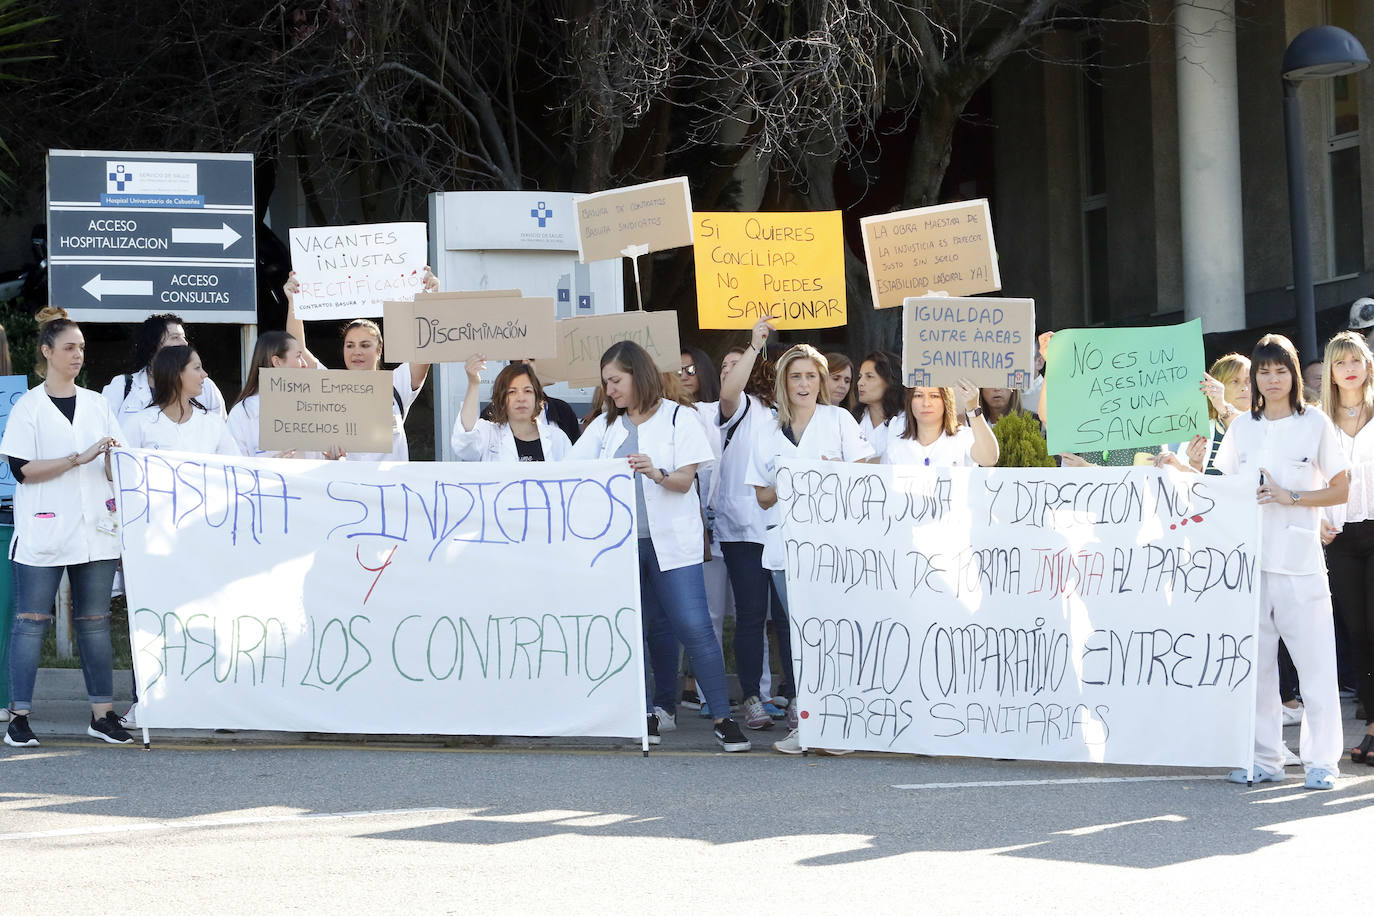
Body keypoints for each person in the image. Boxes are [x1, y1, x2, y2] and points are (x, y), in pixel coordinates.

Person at [568, 341, 749, 752]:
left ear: (637, 373)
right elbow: (571, 473)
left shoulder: (678, 418)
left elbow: (686, 482)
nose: (610, 390)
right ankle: (648, 710)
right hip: (623, 547)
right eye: (606, 383)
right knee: (643, 629)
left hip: (673, 544)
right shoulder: (604, 427)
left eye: (615, 381)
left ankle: (723, 716)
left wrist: (656, 472)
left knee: (694, 626)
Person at [1213, 334, 1349, 790]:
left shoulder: (1314, 423)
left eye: (1280, 370)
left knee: (1315, 667)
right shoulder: (1241, 429)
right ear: (1253, 377)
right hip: (1250, 565)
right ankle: (1264, 759)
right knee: (1257, 669)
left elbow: (1341, 487)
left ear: (1293, 374)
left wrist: (1292, 497)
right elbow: (1222, 490)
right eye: (1263, 371)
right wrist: (1184, 468)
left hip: (1301, 561)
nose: (1272, 380)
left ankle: (1322, 762)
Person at [2, 307, 131, 747]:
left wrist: (114, 458)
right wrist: (79, 458)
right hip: (44, 529)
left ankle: (102, 714)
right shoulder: (30, 407)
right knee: (31, 620)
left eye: (81, 348)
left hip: (96, 528)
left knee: (94, 621)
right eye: (69, 347)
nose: (78, 355)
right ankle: (18, 717)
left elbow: (118, 472)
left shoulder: (98, 404)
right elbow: (22, 470)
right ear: (47, 351)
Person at [747, 342, 874, 754]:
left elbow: (867, 469)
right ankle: (810, 724)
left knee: (835, 635)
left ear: (821, 381)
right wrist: (790, 480)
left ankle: (841, 724)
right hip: (785, 548)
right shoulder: (766, 429)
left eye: (811, 376)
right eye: (796, 376)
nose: (804, 384)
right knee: (803, 640)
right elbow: (763, 497)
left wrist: (827, 473)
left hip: (833, 549)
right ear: (784, 381)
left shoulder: (837, 420)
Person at [284, 270, 436, 461]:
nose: (357, 352)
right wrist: (294, 302)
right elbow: (297, 348)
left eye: (365, 345)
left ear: (379, 350)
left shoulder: (396, 383)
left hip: (390, 488)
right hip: (344, 488)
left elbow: (426, 349)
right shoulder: (329, 385)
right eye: (350, 345)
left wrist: (429, 300)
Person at [1318, 331, 1374, 764]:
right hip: (1340, 536)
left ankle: (1373, 728)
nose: (1349, 368)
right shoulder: (1318, 420)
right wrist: (1315, 517)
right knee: (1356, 631)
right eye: (1340, 362)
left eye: (1355, 359)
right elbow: (1307, 474)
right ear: (1331, 372)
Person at [102, 313, 226, 435]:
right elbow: (103, 432)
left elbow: (221, 435)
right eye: (175, 337)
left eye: (184, 337)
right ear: (152, 346)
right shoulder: (122, 386)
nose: (184, 343)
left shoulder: (205, 386)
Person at [125, 346, 241, 456]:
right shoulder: (139, 423)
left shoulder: (214, 423)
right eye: (197, 368)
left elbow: (236, 467)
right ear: (175, 373)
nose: (204, 374)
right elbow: (122, 466)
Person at [452, 356, 571, 462]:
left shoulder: (558, 439)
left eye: (528, 391)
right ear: (501, 399)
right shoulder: (488, 435)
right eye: (512, 392)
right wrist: (473, 383)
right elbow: (465, 441)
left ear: (537, 397)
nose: (521, 398)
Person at [226, 331, 323, 458]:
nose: (305, 364)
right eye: (298, 356)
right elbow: (234, 468)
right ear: (277, 362)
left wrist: (332, 459)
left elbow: (320, 460)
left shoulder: (313, 407)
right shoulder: (242, 414)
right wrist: (272, 464)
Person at [885, 382, 999, 468]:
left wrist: (973, 409)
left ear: (946, 400)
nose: (926, 403)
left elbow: (989, 459)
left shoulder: (964, 437)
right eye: (918, 395)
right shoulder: (896, 447)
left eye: (934, 396)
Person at [853, 350, 905, 459]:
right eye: (860, 376)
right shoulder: (852, 419)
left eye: (869, 376)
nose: (860, 383)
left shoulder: (906, 421)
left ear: (889, 381)